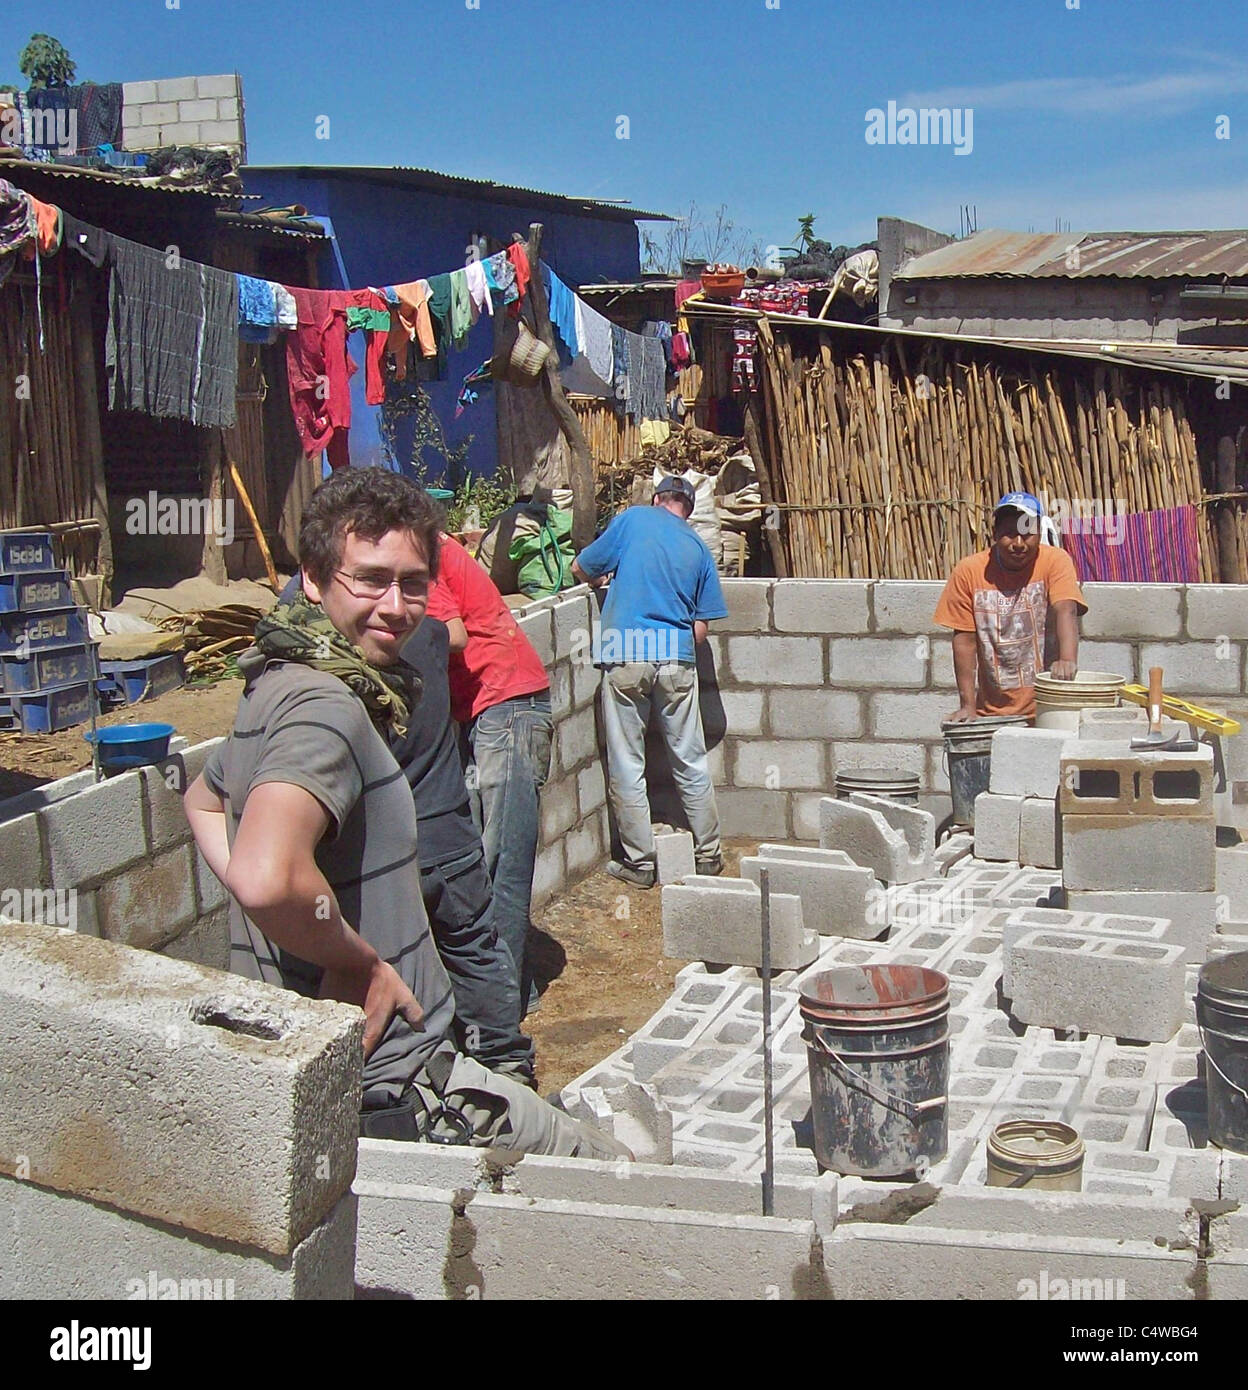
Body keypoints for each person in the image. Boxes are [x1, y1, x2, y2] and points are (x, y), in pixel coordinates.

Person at [183, 467, 626, 1159]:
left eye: (413, 583)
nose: (395, 605)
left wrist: (298, 924)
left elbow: (203, 801)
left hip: (329, 1069)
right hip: (406, 1084)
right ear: (312, 577)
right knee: (602, 1170)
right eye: (370, 579)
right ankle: (510, 1071)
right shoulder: (327, 708)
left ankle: (505, 1065)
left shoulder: (276, 675)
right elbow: (267, 877)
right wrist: (355, 960)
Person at [571, 475, 728, 889]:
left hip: (626, 651)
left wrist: (603, 582)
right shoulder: (698, 548)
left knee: (628, 760)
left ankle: (640, 864)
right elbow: (699, 631)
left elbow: (581, 567)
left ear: (657, 498)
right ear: (688, 510)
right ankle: (709, 854)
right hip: (676, 657)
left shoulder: (633, 519)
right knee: (689, 757)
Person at [426, 534, 552, 1018]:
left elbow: (449, 633)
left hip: (507, 704)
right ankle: (511, 991)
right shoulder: (411, 546)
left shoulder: (417, 548)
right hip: (484, 709)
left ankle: (499, 1018)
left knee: (502, 860)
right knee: (480, 855)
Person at [935, 491, 1088, 722]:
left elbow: (1065, 609)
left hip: (1048, 711)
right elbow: (964, 641)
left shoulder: (1056, 561)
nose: (1018, 543)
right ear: (995, 534)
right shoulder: (969, 572)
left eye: (1027, 534)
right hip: (992, 713)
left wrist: (1067, 659)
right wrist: (967, 706)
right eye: (1009, 534)